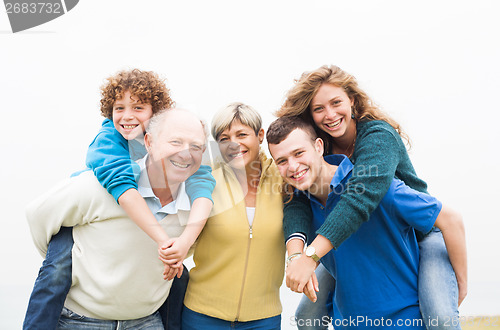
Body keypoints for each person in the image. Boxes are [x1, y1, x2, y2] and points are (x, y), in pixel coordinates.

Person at [275, 65, 467, 329]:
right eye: (318, 109)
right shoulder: (319, 146)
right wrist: (297, 257)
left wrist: (311, 257)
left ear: (352, 101)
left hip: (420, 232)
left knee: (441, 317)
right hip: (349, 236)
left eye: (336, 103)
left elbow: (359, 198)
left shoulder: (378, 137)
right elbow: (297, 199)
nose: (330, 115)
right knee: (307, 316)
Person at [23, 69, 215, 330]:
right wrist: (162, 241)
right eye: (119, 108)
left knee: (178, 277)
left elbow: (203, 182)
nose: (127, 116)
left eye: (138, 107)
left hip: (143, 317)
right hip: (108, 190)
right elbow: (120, 188)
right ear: (150, 142)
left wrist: (179, 246)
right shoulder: (109, 143)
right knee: (56, 267)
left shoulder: (181, 151)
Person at [181, 103, 285, 329]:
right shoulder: (206, 181)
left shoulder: (284, 180)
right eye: (224, 138)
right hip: (201, 316)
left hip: (264, 319)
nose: (234, 144)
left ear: (260, 136)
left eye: (242, 134)